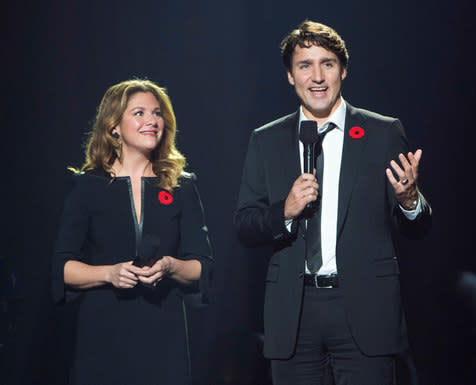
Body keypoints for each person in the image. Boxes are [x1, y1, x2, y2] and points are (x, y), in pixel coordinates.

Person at [235, 20, 432, 385]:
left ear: (343, 69)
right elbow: (245, 226)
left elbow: (418, 229)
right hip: (294, 312)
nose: (317, 77)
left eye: (327, 63)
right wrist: (286, 211)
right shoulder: (267, 140)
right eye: (304, 65)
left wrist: (409, 200)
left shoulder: (383, 132)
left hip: (365, 307)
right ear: (290, 77)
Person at [51, 79, 213, 385]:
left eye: (157, 113)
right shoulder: (87, 186)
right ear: (114, 126)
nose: (152, 121)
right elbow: (62, 268)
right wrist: (109, 273)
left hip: (163, 334)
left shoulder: (183, 186)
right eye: (139, 113)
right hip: (103, 334)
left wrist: (170, 266)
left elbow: (201, 266)